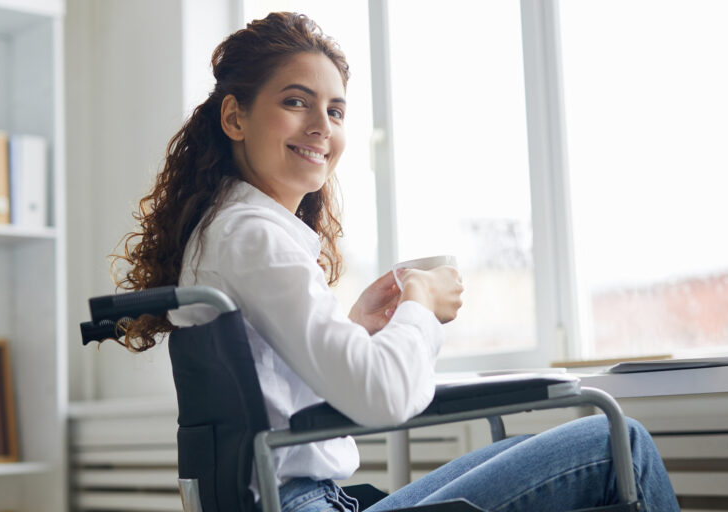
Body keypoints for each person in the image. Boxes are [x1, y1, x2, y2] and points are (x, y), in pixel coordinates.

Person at [112, 11, 680, 512]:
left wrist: (354, 329)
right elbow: (380, 396)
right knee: (617, 441)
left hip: (312, 500)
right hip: (306, 504)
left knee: (554, 447)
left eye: (335, 111)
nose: (321, 127)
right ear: (235, 118)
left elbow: (272, 402)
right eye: (294, 101)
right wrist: (421, 307)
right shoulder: (255, 235)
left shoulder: (230, 229)